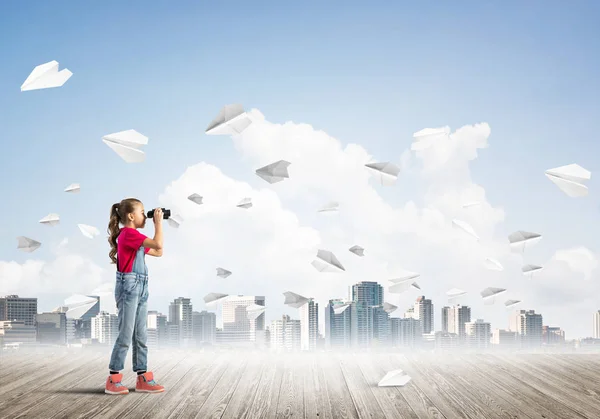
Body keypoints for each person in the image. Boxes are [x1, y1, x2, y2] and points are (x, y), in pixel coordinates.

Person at [104, 198, 166, 395]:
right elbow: (157, 242)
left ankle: (142, 377)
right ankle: (113, 378)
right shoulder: (129, 234)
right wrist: (158, 223)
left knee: (141, 334)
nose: (144, 215)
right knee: (126, 332)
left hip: (141, 287)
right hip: (129, 287)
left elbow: (159, 251)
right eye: (142, 212)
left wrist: (157, 226)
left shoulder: (136, 237)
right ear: (131, 216)